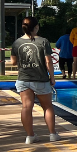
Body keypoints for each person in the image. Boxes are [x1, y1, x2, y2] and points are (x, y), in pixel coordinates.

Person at [10, 16, 59, 144]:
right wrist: (52, 78)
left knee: (26, 107)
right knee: (47, 107)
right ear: (36, 27)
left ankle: (30, 136)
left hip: (24, 79)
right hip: (40, 79)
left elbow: (13, 62)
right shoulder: (43, 41)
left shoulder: (17, 43)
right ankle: (52, 134)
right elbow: (48, 61)